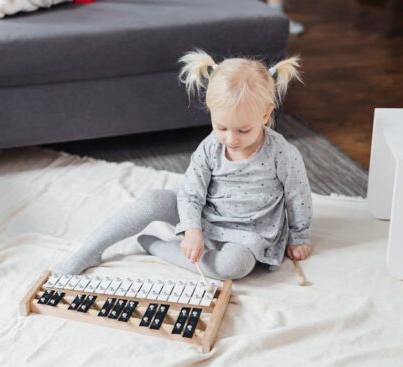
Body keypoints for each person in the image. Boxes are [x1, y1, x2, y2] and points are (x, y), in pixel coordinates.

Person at [53, 49, 312, 280]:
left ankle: (158, 247)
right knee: (153, 200)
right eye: (221, 127)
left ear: (266, 115)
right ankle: (90, 250)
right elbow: (191, 191)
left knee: (233, 266)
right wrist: (192, 228)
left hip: (248, 232)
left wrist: (299, 237)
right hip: (206, 215)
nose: (231, 139)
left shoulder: (282, 154)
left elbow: (298, 197)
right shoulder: (211, 146)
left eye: (243, 130)